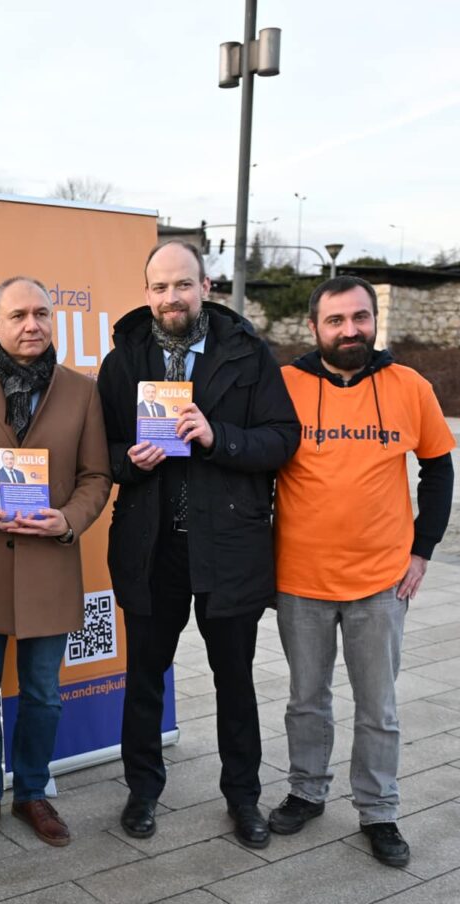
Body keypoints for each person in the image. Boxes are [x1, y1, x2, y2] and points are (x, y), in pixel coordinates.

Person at [97, 240, 299, 850]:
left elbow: (282, 438)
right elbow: (98, 451)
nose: (171, 297)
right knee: (145, 678)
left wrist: (219, 437)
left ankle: (243, 798)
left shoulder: (247, 354)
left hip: (228, 546)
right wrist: (128, 461)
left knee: (234, 680)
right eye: (160, 287)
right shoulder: (123, 360)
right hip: (152, 546)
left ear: (205, 287)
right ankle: (142, 790)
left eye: (182, 285)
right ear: (147, 293)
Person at [269, 276, 455, 867]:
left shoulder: (410, 386)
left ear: (374, 320)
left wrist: (422, 549)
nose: (350, 330)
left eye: (360, 318)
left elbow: (439, 469)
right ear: (314, 327)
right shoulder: (284, 385)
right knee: (306, 698)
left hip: (381, 581)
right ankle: (306, 791)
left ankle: (379, 811)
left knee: (379, 706)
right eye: (336, 320)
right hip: (300, 578)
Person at [0, 276, 111, 848]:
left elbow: (96, 475)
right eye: (17, 315)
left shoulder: (81, 392)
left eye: (40, 314)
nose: (31, 325)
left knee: (43, 694)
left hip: (50, 566)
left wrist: (69, 519)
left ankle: (32, 791)